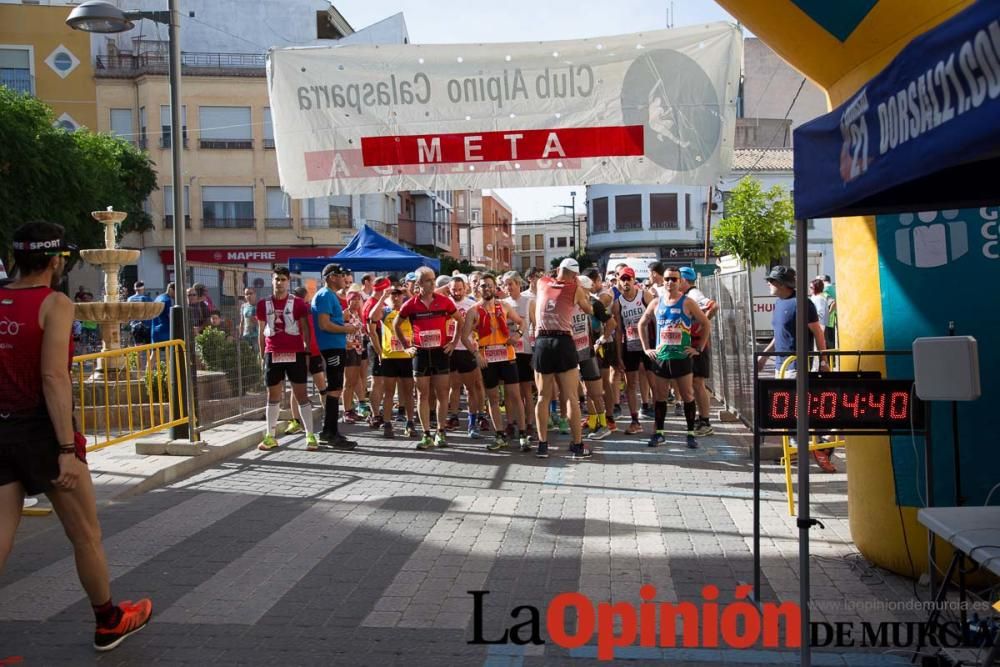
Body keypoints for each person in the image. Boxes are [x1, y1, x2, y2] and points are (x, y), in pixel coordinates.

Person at [0, 222, 152, 651]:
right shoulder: (55, 303)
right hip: (41, 432)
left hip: (1, 427)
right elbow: (53, 377)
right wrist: (67, 449)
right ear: (54, 261)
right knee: (85, 533)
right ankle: (108, 621)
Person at [758, 266, 834, 472]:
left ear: (782, 284)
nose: (769, 284)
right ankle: (803, 448)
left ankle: (821, 442)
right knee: (789, 410)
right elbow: (778, 334)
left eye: (772, 281)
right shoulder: (779, 303)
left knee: (794, 409)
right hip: (780, 365)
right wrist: (765, 357)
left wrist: (824, 360)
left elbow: (818, 333)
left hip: (796, 365)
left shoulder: (803, 303)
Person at [638, 266, 712, 449]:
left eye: (674, 279)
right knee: (660, 396)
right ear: (662, 281)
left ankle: (690, 434)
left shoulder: (688, 302)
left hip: (682, 357)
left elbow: (705, 322)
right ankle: (660, 433)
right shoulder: (656, 302)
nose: (670, 282)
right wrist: (646, 349)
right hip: (662, 357)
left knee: (687, 395)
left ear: (680, 282)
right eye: (667, 279)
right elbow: (642, 323)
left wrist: (699, 348)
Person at [394, 267, 461, 450]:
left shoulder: (444, 301)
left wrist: (453, 343)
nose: (432, 283)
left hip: (440, 352)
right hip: (421, 353)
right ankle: (426, 434)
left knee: (442, 394)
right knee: (422, 395)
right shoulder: (411, 304)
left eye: (433, 279)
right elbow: (396, 324)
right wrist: (407, 346)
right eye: (428, 280)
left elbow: (459, 320)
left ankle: (440, 431)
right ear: (419, 284)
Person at [532, 258, 593, 459]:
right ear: (574, 275)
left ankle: (542, 445)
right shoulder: (575, 288)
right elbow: (588, 309)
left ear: (559, 269)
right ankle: (577, 445)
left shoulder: (542, 283)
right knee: (571, 398)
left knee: (542, 397)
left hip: (542, 342)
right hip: (563, 342)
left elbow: (546, 282)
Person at [256, 266, 319, 452]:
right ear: (272, 280)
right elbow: (261, 331)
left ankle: (310, 435)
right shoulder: (263, 304)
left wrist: (307, 351)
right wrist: (262, 355)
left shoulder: (299, 303)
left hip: (296, 353)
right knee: (273, 395)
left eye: (283, 279)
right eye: (277, 279)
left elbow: (306, 328)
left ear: (288, 281)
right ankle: (270, 436)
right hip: (272, 353)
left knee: (301, 394)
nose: (280, 283)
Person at [461, 274, 525, 452]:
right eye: (483, 286)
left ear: (495, 287)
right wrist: (476, 355)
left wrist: (518, 335)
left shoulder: (504, 305)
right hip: (487, 358)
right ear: (478, 289)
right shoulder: (473, 310)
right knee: (493, 398)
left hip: (507, 355)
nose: (486, 288)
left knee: (515, 395)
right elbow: (464, 337)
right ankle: (499, 435)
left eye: (489, 285)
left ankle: (523, 434)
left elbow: (522, 322)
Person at [312, 264, 360, 450]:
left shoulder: (329, 295)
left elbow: (331, 322)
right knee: (334, 389)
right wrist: (346, 329)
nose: (344, 278)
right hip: (330, 348)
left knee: (336, 388)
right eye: (341, 275)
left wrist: (343, 338)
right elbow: (324, 324)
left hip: (335, 346)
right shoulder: (324, 295)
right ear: (332, 277)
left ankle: (330, 431)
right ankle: (328, 432)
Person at [372, 286, 417, 438]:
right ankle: (387, 423)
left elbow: (416, 305)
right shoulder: (385, 311)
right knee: (389, 392)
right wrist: (382, 296)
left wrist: (409, 293)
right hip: (389, 357)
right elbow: (372, 317)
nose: (396, 298)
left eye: (399, 295)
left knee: (408, 392)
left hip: (406, 357)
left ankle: (410, 423)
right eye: (393, 295)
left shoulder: (408, 311)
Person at [284, 287, 327, 440]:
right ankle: (296, 421)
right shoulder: (291, 312)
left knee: (315, 387)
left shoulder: (309, 310)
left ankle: (325, 419)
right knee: (303, 388)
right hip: (302, 353)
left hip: (311, 352)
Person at [678, 266, 718, 436]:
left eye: (677, 279)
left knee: (698, 384)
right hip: (690, 345)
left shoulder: (694, 294)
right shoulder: (686, 296)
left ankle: (705, 421)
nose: (674, 282)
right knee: (693, 384)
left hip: (697, 345)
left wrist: (703, 324)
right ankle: (700, 419)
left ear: (684, 280)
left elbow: (714, 306)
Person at [613, 267, 652, 435]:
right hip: (630, 346)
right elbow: (619, 331)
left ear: (634, 280)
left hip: (648, 346)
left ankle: (659, 421)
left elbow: (656, 319)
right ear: (619, 282)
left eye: (629, 279)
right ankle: (635, 421)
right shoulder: (618, 303)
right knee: (630, 385)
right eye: (623, 279)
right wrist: (619, 355)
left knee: (654, 383)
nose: (626, 282)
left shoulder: (644, 295)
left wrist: (658, 344)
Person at [501, 271, 537, 445]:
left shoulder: (528, 301)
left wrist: (536, 350)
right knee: (509, 391)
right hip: (507, 352)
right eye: (505, 284)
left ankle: (529, 424)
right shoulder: (502, 304)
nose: (508, 288)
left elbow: (536, 326)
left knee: (526, 391)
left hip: (525, 350)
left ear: (518, 284)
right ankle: (510, 423)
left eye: (511, 284)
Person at [446, 275, 483, 438]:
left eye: (460, 289)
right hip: (450, 349)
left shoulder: (471, 304)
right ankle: (454, 416)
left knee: (471, 388)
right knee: (453, 386)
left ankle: (473, 421)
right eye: (454, 289)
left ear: (465, 288)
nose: (457, 292)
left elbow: (480, 327)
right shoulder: (445, 303)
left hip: (467, 349)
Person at [126, 281, 153, 348]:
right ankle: (148, 358)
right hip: (146, 326)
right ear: (143, 289)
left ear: (134, 288)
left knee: (138, 346)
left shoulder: (129, 299)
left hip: (134, 326)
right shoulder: (147, 298)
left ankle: (138, 358)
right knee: (148, 346)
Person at [240, 287, 259, 351]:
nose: (248, 296)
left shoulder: (259, 305)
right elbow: (242, 321)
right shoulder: (243, 306)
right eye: (246, 294)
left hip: (256, 336)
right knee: (247, 356)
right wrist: (241, 335)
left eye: (251, 293)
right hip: (246, 336)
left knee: (257, 355)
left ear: (255, 294)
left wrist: (255, 320)